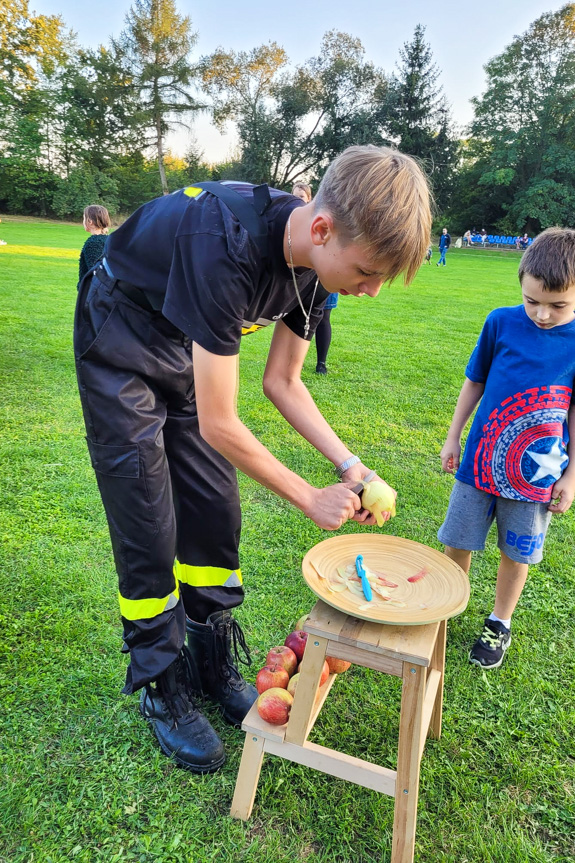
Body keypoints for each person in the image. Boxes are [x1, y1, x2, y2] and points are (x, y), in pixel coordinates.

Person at [73, 145, 432, 773]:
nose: (372, 291)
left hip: (185, 346)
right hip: (121, 338)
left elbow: (285, 382)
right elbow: (219, 423)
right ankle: (161, 680)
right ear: (321, 229)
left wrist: (352, 467)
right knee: (147, 517)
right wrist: (307, 495)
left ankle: (210, 660)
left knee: (215, 506)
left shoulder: (317, 269)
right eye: (369, 271)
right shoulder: (225, 242)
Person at [439, 227, 575, 670]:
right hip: (480, 460)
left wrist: (571, 478)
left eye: (558, 305)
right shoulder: (500, 321)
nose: (542, 314)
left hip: (537, 473)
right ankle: (444, 607)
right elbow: (474, 380)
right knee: (458, 540)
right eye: (532, 300)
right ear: (521, 282)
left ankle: (499, 621)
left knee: (516, 551)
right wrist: (453, 435)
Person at [291, 183, 340, 376]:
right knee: (295, 317)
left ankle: (321, 363)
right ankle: (293, 363)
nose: (298, 199)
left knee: (323, 318)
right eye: (294, 195)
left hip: (324, 277)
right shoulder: (292, 223)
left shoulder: (321, 222)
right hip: (300, 281)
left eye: (301, 196)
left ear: (309, 199)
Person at [79, 205, 110, 282]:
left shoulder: (93, 243)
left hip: (94, 291)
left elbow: (96, 274)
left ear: (90, 221)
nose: (83, 221)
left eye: (84, 218)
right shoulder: (108, 239)